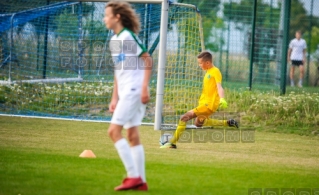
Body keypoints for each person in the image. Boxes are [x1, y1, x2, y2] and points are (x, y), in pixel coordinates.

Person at [103, 1, 152, 191]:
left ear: (117, 17)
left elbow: (147, 59)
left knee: (113, 132)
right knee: (132, 135)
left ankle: (133, 177)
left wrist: (144, 86)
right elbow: (118, 70)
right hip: (126, 93)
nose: (104, 19)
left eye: (107, 15)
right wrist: (114, 97)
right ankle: (142, 182)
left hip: (134, 91)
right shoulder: (114, 40)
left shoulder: (127, 37)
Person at [160, 51, 239, 149]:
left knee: (184, 117)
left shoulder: (215, 71)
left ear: (207, 63)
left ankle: (172, 143)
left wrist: (222, 98)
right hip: (206, 104)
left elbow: (219, 87)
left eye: (200, 63)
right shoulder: (208, 72)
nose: (199, 65)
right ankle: (228, 123)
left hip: (208, 105)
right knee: (198, 123)